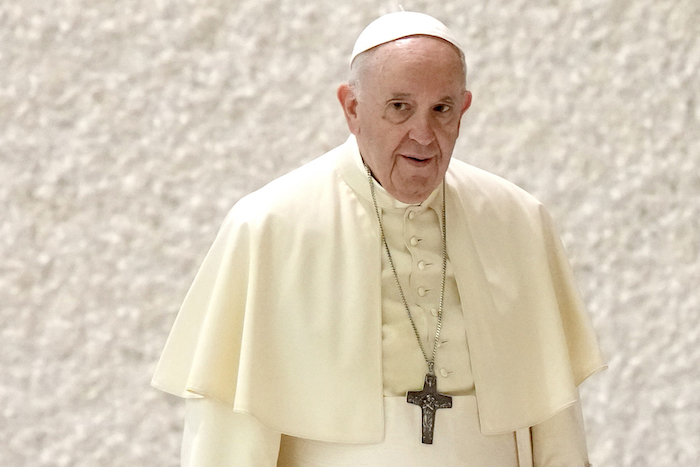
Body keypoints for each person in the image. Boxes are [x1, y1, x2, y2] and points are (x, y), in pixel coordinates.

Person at [152, 11, 605, 467]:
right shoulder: (271, 225)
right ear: (352, 108)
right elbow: (229, 434)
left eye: (441, 109)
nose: (424, 136)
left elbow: (555, 421)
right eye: (399, 108)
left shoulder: (517, 221)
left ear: (464, 108)